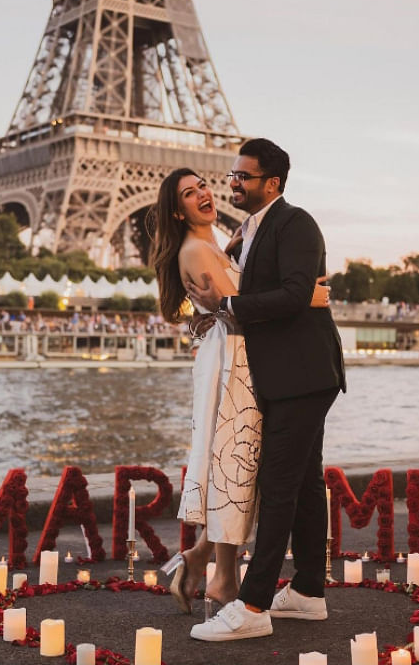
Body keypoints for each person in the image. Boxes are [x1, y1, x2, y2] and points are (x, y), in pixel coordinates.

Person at [147, 166, 330, 617]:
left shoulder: (217, 242)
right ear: (177, 209)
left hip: (242, 356)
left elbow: (238, 295)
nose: (204, 194)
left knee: (238, 464)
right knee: (235, 463)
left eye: (203, 185)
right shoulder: (196, 249)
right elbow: (241, 308)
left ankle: (207, 565)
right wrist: (305, 295)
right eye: (190, 193)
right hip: (234, 360)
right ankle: (220, 577)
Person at [184, 138, 347, 642]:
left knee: (278, 486)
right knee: (300, 485)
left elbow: (298, 294)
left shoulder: (295, 223)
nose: (232, 183)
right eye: (232, 175)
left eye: (243, 177)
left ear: (271, 183)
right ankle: (307, 593)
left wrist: (232, 306)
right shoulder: (250, 231)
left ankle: (253, 605)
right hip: (291, 374)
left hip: (302, 375)